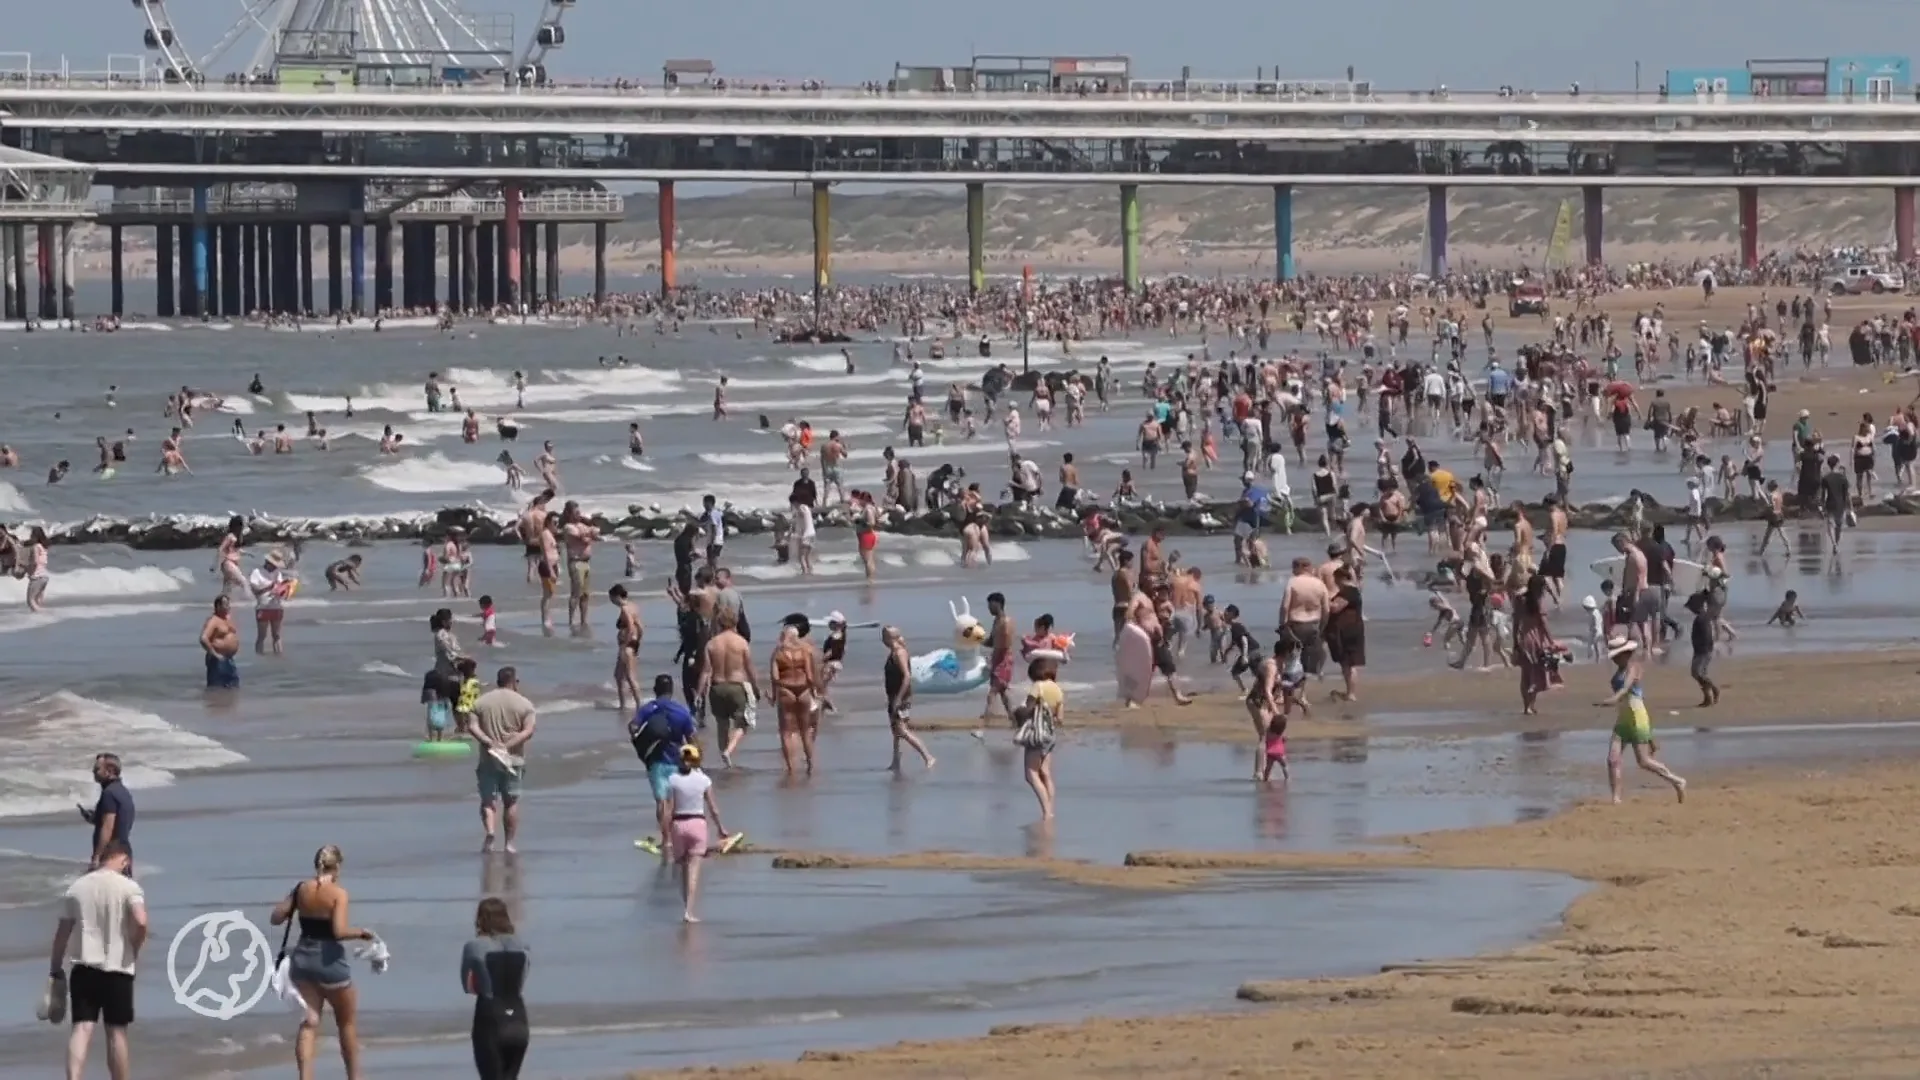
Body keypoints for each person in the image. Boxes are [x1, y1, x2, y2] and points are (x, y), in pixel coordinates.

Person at [269, 844, 375, 1080]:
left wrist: (296, 905)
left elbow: (275, 918)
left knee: (309, 1023)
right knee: (346, 1024)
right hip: (330, 963)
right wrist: (361, 933)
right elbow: (338, 931)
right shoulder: (338, 894)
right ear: (337, 867)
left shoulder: (301, 889)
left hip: (303, 961)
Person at [48, 838, 145, 1080]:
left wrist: (55, 968)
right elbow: (141, 921)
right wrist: (135, 946)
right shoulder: (129, 887)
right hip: (118, 967)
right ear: (124, 859)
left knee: (81, 1028)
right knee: (116, 1032)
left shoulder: (77, 887)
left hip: (84, 967)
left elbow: (62, 933)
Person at [1597, 637, 1687, 804]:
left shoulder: (1634, 668)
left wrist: (1612, 699)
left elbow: (1625, 688)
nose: (1615, 659)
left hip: (1637, 717)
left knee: (1644, 761)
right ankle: (1616, 798)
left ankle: (1677, 781)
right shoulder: (1618, 671)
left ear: (1626, 653)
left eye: (1618, 655)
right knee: (1612, 759)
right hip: (1623, 718)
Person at [470, 668, 537, 853]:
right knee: (511, 802)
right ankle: (509, 843)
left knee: (488, 801)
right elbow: (528, 731)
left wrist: (488, 741)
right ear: (515, 681)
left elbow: (472, 726)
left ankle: (490, 832)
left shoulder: (481, 702)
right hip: (513, 759)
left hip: (488, 757)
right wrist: (508, 745)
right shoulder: (524, 704)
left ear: (498, 680)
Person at [462, 897, 530, 1080]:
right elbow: (521, 981)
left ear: (480, 919)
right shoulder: (522, 946)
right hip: (518, 1019)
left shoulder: (474, 946)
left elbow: (467, 987)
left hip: (490, 1019)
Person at [630, 674, 697, 858]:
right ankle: (675, 837)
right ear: (672, 690)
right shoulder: (681, 711)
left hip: (655, 761)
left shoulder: (649, 708)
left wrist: (642, 742)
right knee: (673, 802)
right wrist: (696, 761)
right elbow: (691, 738)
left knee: (661, 802)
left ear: (655, 690)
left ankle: (666, 840)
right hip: (676, 761)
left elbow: (633, 727)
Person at [665, 745, 732, 923]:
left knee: (681, 868)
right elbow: (713, 808)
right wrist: (721, 828)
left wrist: (665, 835)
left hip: (679, 824)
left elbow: (668, 810)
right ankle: (689, 911)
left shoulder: (672, 780)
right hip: (697, 824)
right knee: (694, 870)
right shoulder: (704, 780)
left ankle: (685, 904)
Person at [1013, 657, 1063, 820]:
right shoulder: (1057, 689)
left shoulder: (1038, 686)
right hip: (1050, 735)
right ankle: (1051, 809)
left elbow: (1028, 709)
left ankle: (1046, 811)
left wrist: (1017, 712)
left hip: (1036, 734)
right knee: (1046, 773)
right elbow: (1060, 718)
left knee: (1031, 774)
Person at [880, 626, 935, 772]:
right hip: (894, 696)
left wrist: (898, 699)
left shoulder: (899, 653)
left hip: (900, 697)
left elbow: (907, 677)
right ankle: (895, 762)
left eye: (884, 636)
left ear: (889, 638)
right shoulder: (894, 652)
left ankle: (928, 756)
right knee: (895, 731)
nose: (882, 640)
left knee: (902, 730)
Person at [81, 753, 134, 872]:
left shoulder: (109, 794)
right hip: (124, 852)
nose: (93, 772)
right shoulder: (123, 792)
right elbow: (120, 821)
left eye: (97, 769)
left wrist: (97, 857)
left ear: (109, 771)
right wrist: (95, 819)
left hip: (111, 855)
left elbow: (108, 827)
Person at [200, 596, 240, 690]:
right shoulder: (213, 621)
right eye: (225, 605)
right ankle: (216, 703)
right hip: (218, 660)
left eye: (228, 604)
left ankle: (228, 703)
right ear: (218, 606)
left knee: (233, 686)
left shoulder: (227, 619)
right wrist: (215, 654)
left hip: (229, 659)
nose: (228, 607)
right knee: (217, 687)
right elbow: (203, 638)